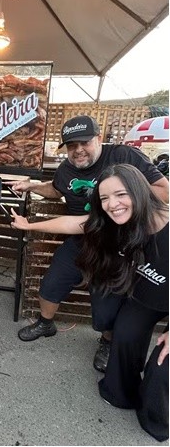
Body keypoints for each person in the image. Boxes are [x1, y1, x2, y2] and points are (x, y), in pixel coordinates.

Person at [11, 164, 168, 441]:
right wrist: (29, 225)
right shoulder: (118, 221)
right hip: (146, 297)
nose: (112, 205)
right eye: (105, 199)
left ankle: (155, 420)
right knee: (125, 334)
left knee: (161, 365)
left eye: (120, 195)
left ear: (140, 191)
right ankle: (121, 393)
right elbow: (76, 224)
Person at [5, 115, 168, 372]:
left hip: (121, 246)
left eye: (84, 143)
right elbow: (58, 190)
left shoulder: (124, 156)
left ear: (98, 139)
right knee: (51, 285)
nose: (78, 150)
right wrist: (32, 187)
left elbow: (164, 190)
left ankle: (106, 341)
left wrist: (122, 204)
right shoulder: (66, 169)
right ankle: (45, 323)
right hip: (82, 241)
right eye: (71, 145)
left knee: (107, 304)